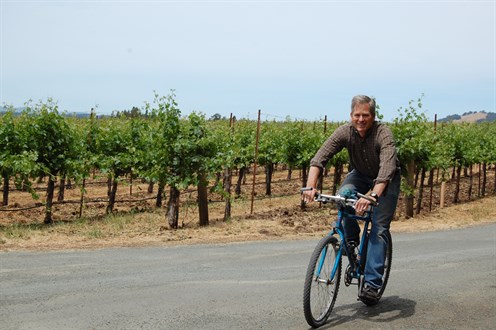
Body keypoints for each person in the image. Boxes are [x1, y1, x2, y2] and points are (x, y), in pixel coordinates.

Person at [301, 95, 401, 304]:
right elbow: (319, 158)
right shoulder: (344, 132)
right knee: (343, 196)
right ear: (351, 115)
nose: (361, 119)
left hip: (386, 182)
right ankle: (351, 237)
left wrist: (373, 195)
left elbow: (386, 169)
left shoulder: (383, 134)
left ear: (373, 116)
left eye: (366, 115)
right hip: (360, 175)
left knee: (378, 228)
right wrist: (310, 186)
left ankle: (372, 284)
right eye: (357, 115)